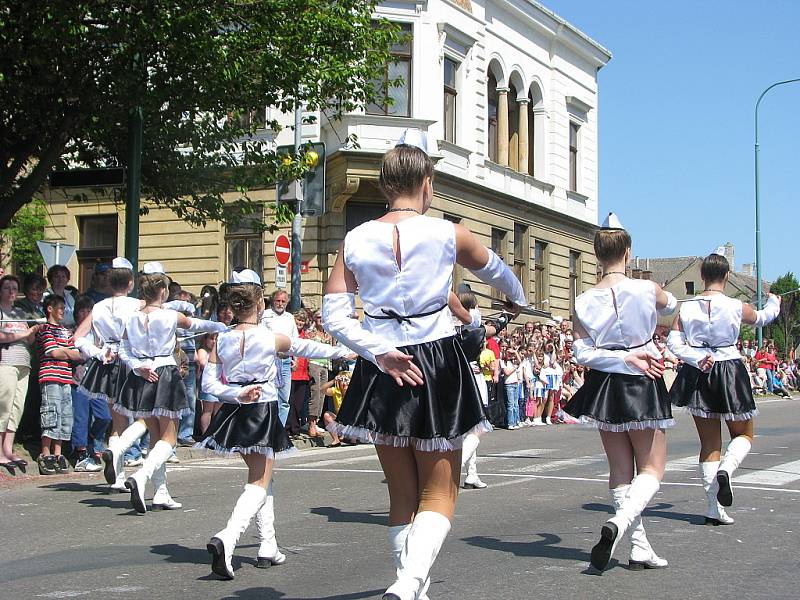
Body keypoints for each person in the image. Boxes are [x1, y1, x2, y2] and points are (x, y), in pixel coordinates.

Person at [322, 130, 526, 600]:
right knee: (439, 493)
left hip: (380, 362)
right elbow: (498, 272)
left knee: (401, 494)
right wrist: (515, 301)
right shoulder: (449, 232)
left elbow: (334, 316)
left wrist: (377, 351)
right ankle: (409, 583)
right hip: (436, 358)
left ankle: (412, 587)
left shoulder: (354, 239)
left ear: (384, 183)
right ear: (427, 181)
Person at [198, 270, 350, 579]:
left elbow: (209, 383)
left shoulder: (223, 338)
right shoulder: (269, 336)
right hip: (261, 409)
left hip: (232, 412)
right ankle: (228, 537)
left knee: (263, 478)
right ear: (259, 304)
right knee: (258, 481)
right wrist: (348, 351)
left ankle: (268, 545)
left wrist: (235, 393)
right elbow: (309, 348)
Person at [564, 213, 677, 572]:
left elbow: (582, 354)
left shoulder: (582, 300)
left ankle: (639, 546)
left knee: (619, 470)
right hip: (643, 377)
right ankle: (621, 524)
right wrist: (634, 354)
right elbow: (673, 306)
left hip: (605, 384)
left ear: (596, 255)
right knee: (652, 468)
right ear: (628, 252)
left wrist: (620, 357)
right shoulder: (645, 289)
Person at [667, 252, 780, 526]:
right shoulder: (735, 305)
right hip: (729, 368)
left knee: (709, 443)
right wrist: (774, 301)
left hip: (699, 370)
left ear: (703, 276)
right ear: (727, 276)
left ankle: (712, 508)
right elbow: (764, 317)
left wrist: (695, 357)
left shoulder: (686, 308)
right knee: (744, 433)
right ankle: (727, 471)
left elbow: (673, 341)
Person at [116, 262, 227, 513]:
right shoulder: (169, 315)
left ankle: (161, 492)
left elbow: (123, 349)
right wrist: (223, 326)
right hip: (164, 373)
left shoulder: (131, 316)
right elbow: (198, 324)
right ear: (164, 292)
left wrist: (137, 366)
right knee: (169, 437)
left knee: (155, 438)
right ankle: (142, 475)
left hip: (143, 375)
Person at [73, 258, 145, 490]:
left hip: (107, 363)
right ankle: (115, 451)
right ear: (131, 283)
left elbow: (77, 338)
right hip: (132, 362)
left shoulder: (99, 306)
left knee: (118, 421)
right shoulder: (138, 305)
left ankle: (119, 477)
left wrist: (98, 352)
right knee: (146, 417)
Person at [36, 294, 82, 475]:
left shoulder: (65, 331)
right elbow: (53, 352)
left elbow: (77, 354)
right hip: (50, 376)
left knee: (65, 415)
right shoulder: (45, 330)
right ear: (50, 309)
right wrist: (66, 351)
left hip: (65, 377)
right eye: (60, 308)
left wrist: (66, 351)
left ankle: (58, 452)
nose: (63, 311)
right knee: (50, 412)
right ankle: (45, 452)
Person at [0, 275, 39, 474]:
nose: (11, 291)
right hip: (6, 362)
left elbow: (28, 340)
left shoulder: (20, 312)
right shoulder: (1, 312)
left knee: (17, 408)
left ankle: (8, 448)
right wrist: (24, 334)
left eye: (14, 288)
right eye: (7, 288)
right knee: (4, 407)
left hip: (24, 362)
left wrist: (33, 332)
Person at [70, 295, 110, 472]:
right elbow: (70, 352)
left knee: (104, 416)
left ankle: (92, 439)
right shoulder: (73, 331)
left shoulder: (99, 332)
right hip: (79, 379)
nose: (86, 314)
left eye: (89, 311)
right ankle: (81, 453)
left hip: (96, 380)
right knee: (81, 417)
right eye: (82, 311)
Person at [259, 290, 297, 426]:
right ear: (273, 301)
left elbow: (295, 340)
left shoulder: (290, 318)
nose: (280, 304)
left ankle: (279, 430)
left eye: (283, 301)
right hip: (270, 360)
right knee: (270, 398)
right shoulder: (265, 315)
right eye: (278, 301)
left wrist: (295, 359)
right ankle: (269, 429)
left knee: (284, 399)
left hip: (286, 361)